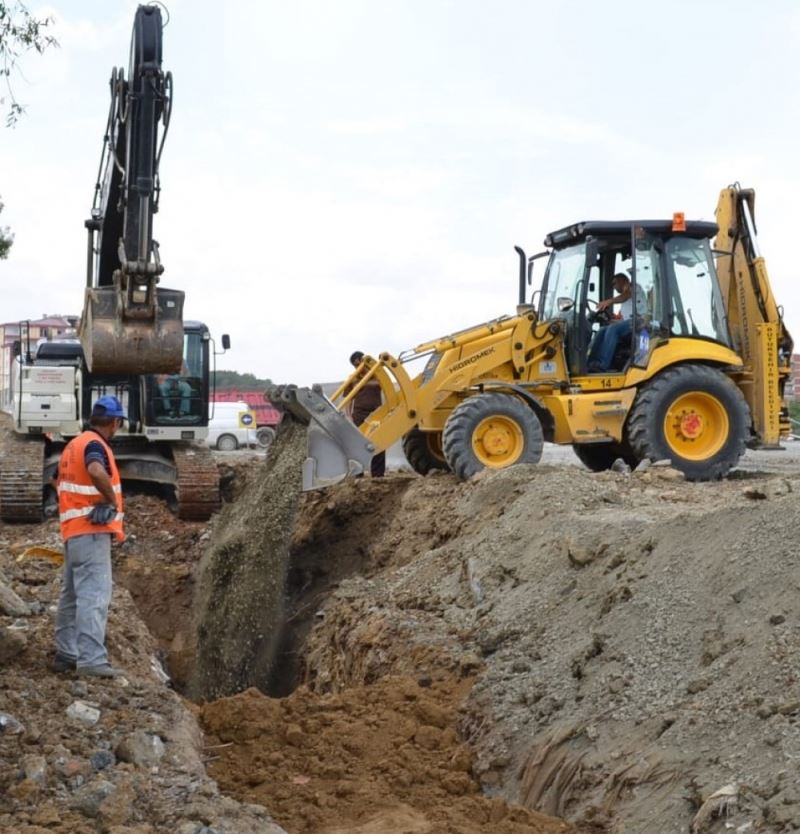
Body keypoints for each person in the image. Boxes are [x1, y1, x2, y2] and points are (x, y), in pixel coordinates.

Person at [52, 395, 127, 678]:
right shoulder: (95, 445)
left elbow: (60, 483)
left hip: (73, 533)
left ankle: (66, 653)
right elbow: (96, 470)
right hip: (92, 531)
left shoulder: (74, 444)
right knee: (94, 595)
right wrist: (110, 501)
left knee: (71, 595)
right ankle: (92, 660)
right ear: (116, 422)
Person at [349, 350, 386, 477]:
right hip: (359, 414)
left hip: (377, 413)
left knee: (379, 441)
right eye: (355, 365)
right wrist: (349, 414)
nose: (358, 367)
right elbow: (349, 398)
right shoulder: (353, 378)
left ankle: (378, 474)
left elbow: (383, 386)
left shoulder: (378, 375)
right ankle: (358, 473)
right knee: (358, 442)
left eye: (359, 364)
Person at [587, 273, 633, 372]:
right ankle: (591, 362)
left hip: (639, 322)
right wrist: (611, 321)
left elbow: (625, 296)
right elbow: (625, 319)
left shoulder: (633, 288)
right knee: (603, 329)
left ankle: (602, 365)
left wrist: (608, 302)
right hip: (629, 322)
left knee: (613, 329)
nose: (614, 287)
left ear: (622, 281)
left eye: (614, 283)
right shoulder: (626, 301)